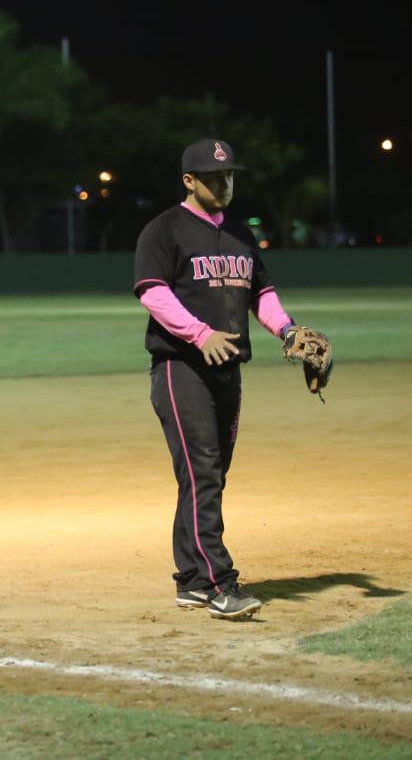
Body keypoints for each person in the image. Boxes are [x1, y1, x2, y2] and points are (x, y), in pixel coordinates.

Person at [132, 138, 301, 620]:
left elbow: (261, 294)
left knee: (208, 477)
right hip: (180, 369)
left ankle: (190, 578)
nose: (224, 184)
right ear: (189, 181)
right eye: (213, 177)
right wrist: (200, 333)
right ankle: (218, 582)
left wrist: (285, 329)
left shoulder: (242, 238)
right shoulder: (163, 230)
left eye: (228, 176)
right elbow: (152, 293)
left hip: (228, 373)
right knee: (203, 472)